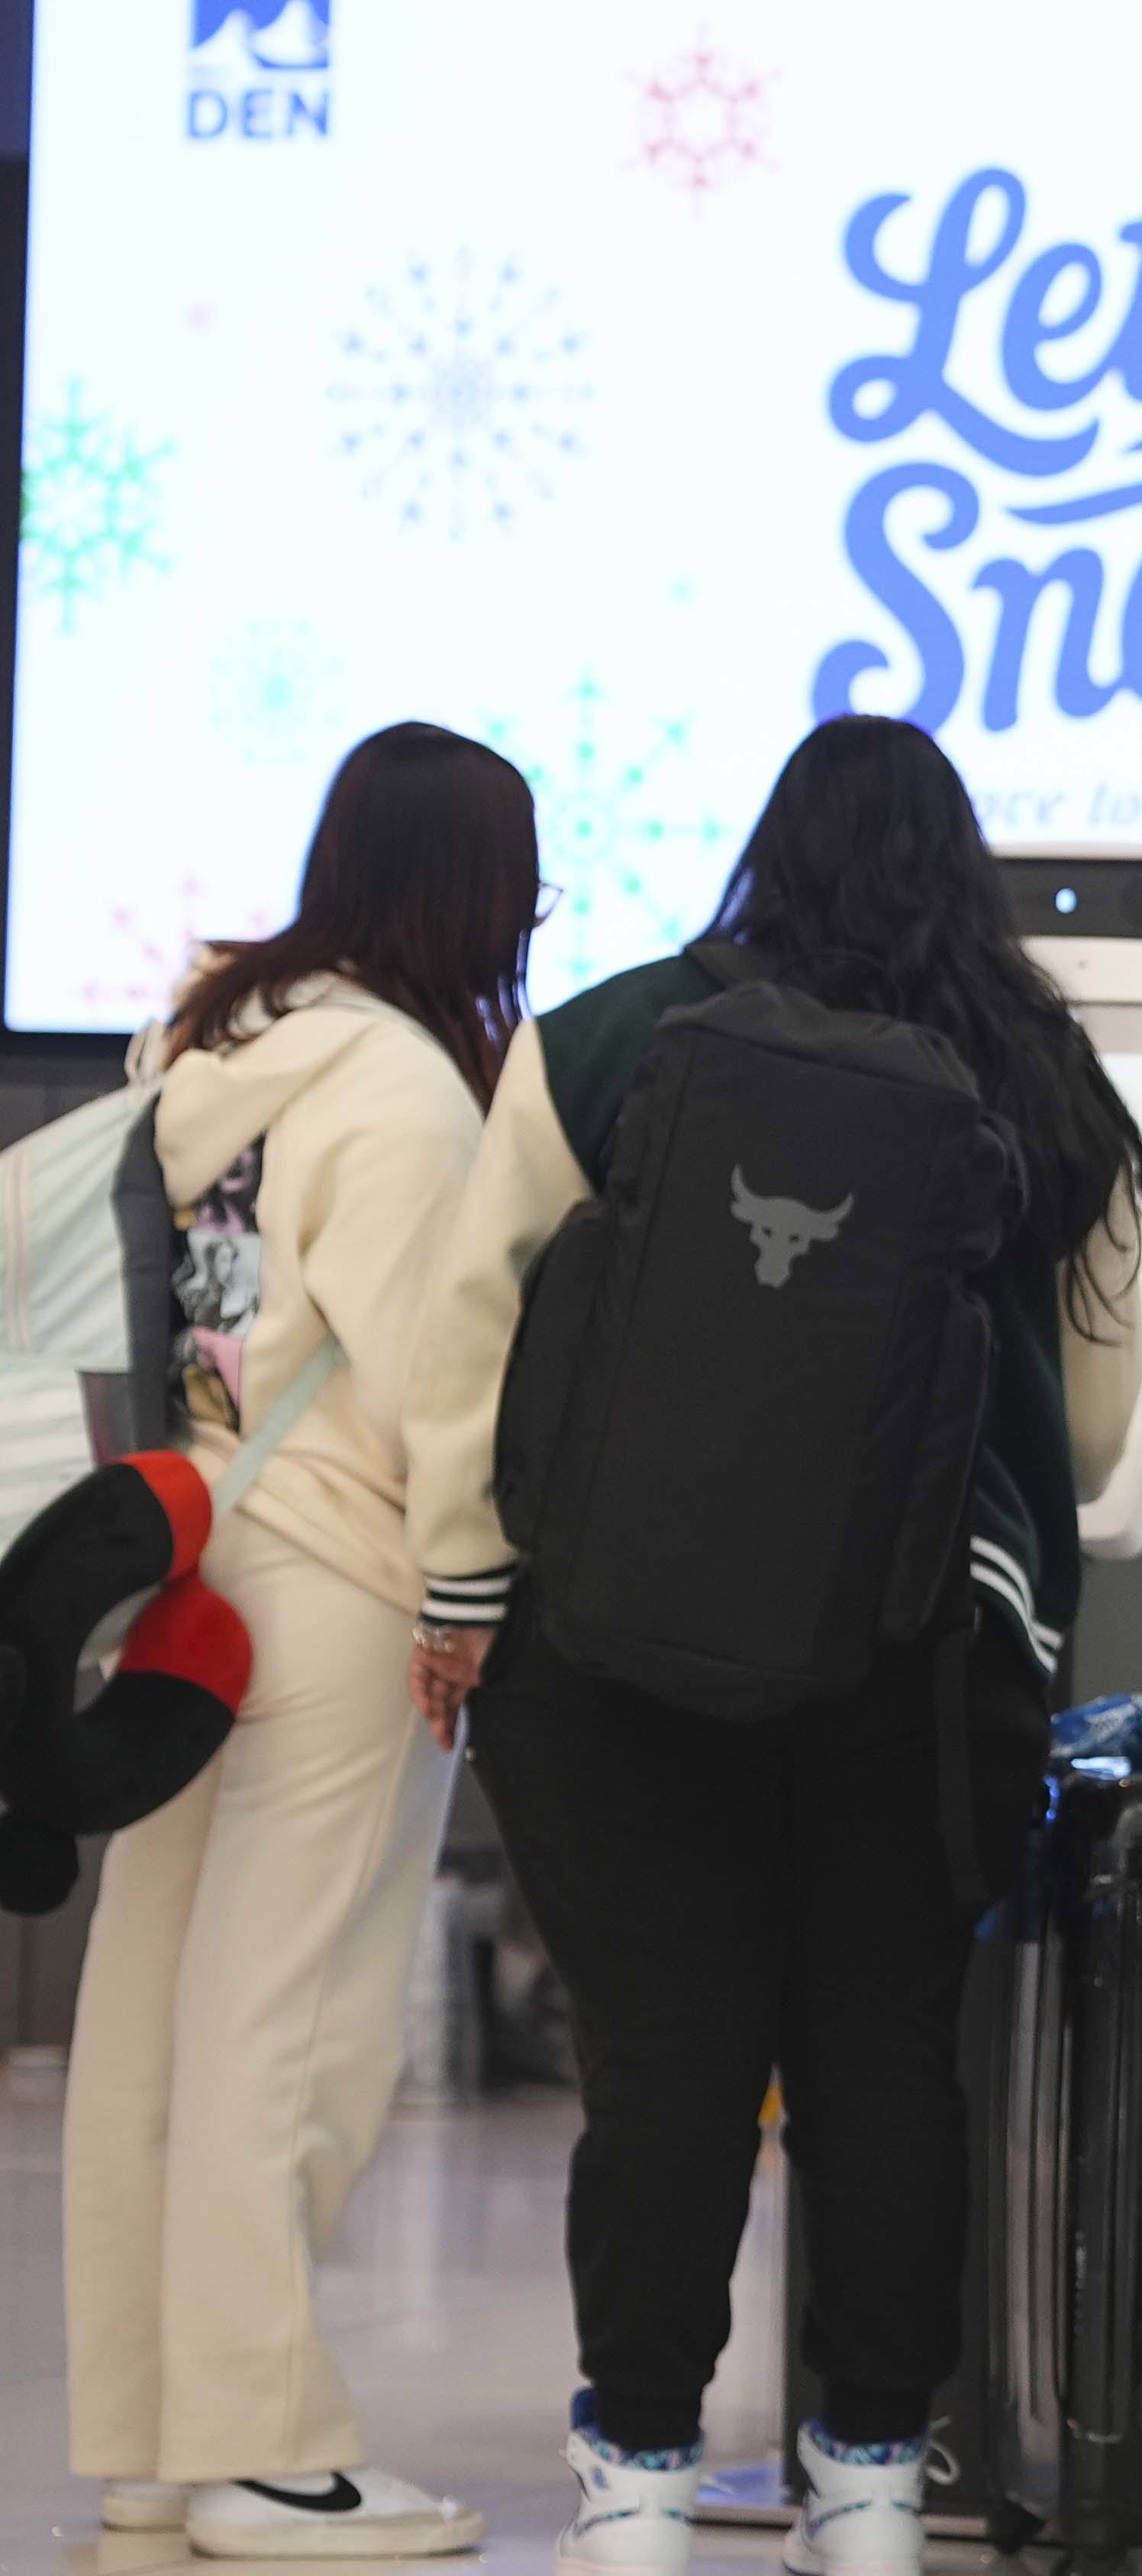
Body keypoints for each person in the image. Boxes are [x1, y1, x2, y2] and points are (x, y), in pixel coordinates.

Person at [402, 716, 1142, 2574]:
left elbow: (478, 1324)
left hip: (618, 1638)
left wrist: (460, 1587)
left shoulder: (616, 1034)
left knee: (662, 2061)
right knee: (884, 2065)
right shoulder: (1045, 1073)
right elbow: (1110, 1421)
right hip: (923, 1653)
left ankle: (644, 2479)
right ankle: (878, 2482)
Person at [62, 725, 538, 2562]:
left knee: (156, 2016)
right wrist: (470, 1596)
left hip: (187, 1562)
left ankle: (155, 2440)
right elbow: (442, 1381)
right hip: (343, 1583)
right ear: (472, 891)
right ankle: (263, 2449)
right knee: (297, 2021)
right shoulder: (404, 1090)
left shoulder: (209, 1049)